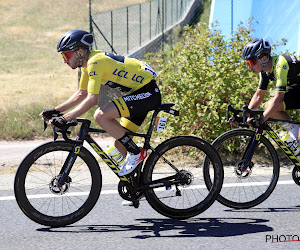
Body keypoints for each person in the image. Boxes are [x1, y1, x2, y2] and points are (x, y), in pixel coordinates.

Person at [40, 30, 161, 176]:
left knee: (101, 115)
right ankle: (138, 187)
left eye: (66, 55)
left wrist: (65, 118)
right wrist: (56, 111)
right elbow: (81, 94)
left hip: (147, 93)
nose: (64, 60)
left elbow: (92, 99)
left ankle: (137, 153)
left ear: (79, 52)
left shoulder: (95, 62)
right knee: (120, 144)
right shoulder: (86, 64)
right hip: (137, 94)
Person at [241, 38, 300, 153]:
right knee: (269, 106)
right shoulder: (265, 71)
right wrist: (245, 116)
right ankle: (295, 134)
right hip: (297, 91)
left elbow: (278, 99)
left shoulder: (280, 64)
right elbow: (258, 96)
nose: (249, 67)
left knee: (273, 105)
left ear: (263, 58)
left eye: (251, 62)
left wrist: (261, 119)